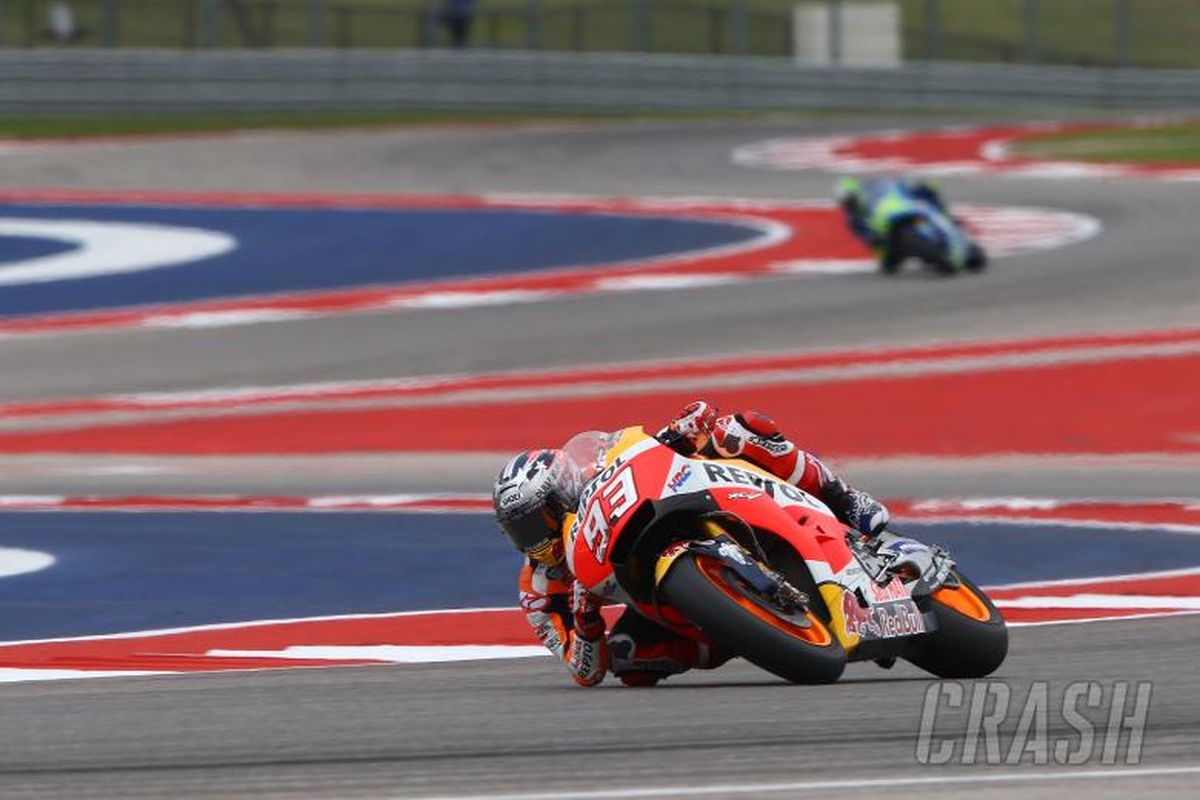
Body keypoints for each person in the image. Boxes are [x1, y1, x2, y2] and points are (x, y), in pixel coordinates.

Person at [492, 400, 906, 688]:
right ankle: (741, 630)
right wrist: (586, 618)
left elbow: (642, 454)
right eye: (522, 531)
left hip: (692, 494)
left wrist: (683, 429)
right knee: (628, 657)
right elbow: (585, 670)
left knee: (737, 430)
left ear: (563, 491)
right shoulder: (541, 589)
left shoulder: (599, 473)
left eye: (539, 519)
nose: (536, 538)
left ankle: (843, 497)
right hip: (656, 592)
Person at [835, 176, 949, 273]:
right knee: (887, 268)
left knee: (927, 188)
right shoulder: (853, 219)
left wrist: (900, 187)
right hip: (883, 241)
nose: (848, 203)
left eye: (849, 199)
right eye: (845, 202)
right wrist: (874, 237)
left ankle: (946, 218)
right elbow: (865, 237)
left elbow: (888, 191)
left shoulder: (869, 194)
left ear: (855, 193)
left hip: (892, 216)